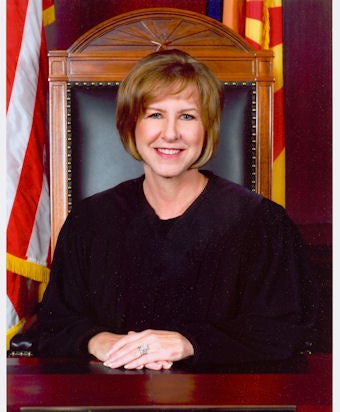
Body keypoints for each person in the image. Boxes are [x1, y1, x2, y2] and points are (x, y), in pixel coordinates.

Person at [38, 49, 316, 371]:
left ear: (207, 128)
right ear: (131, 125)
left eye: (187, 116)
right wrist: (97, 340)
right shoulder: (89, 221)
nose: (170, 133)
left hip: (221, 403)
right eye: (154, 114)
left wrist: (187, 342)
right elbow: (54, 324)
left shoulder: (262, 222)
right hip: (111, 398)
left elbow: (287, 331)